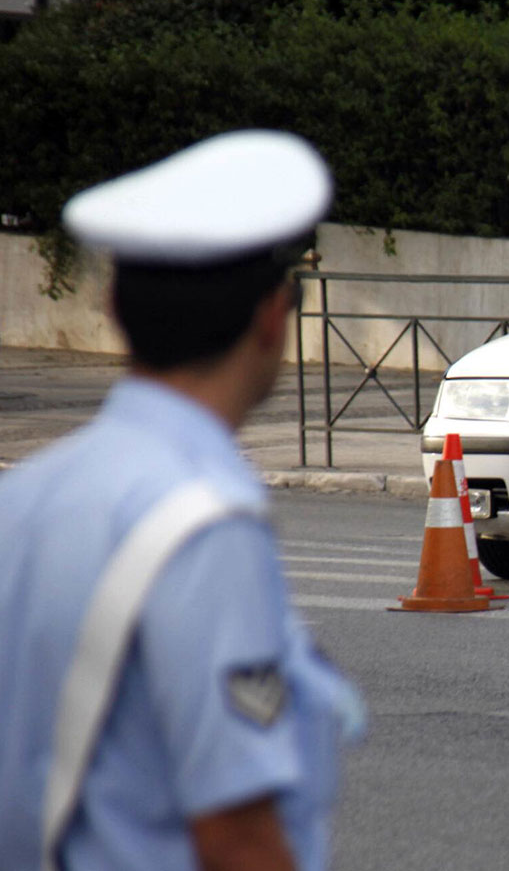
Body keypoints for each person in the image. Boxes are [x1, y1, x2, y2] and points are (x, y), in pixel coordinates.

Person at [0, 130, 363, 871]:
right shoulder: (204, 520)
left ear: (112, 306)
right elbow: (237, 837)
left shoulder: (27, 494)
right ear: (272, 317)